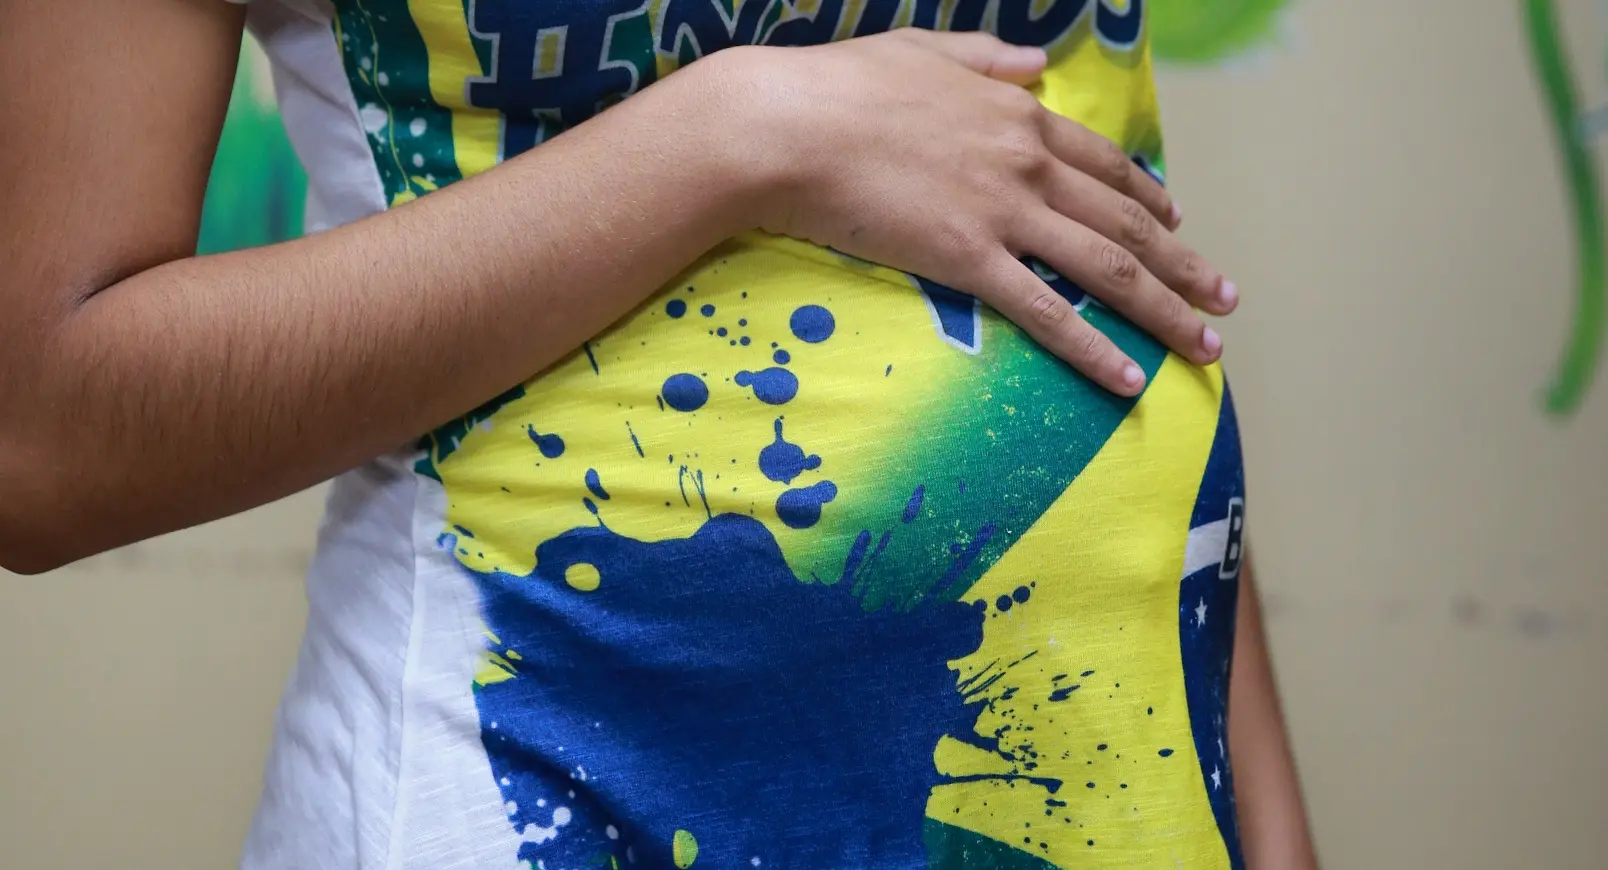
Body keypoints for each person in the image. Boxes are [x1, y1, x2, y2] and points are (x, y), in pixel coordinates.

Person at [0, 1, 1317, 868]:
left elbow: (1095, 235)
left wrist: (1263, 818)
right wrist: (743, 133)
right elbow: (44, 437)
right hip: (535, 803)